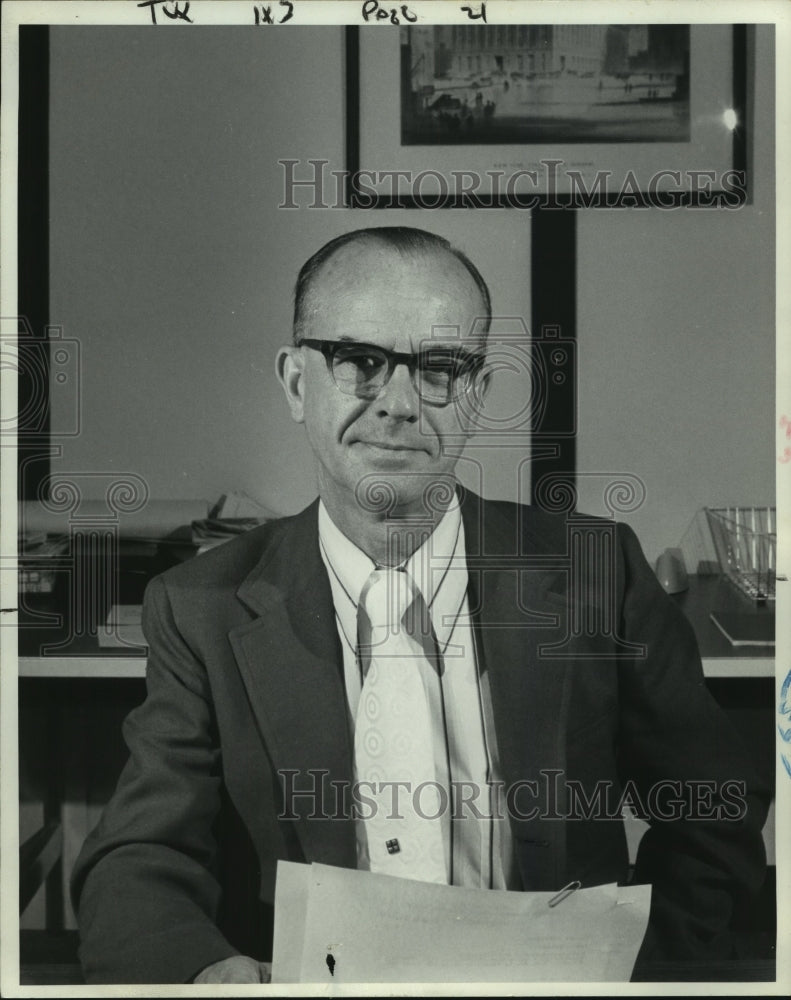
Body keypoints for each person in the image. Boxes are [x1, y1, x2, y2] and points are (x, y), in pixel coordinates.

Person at [71, 226, 769, 984]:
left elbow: (713, 806)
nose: (399, 404)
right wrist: (209, 973)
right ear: (297, 383)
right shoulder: (198, 607)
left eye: (439, 368)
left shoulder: (598, 573)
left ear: (475, 394)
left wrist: (641, 972)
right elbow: (139, 855)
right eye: (358, 361)